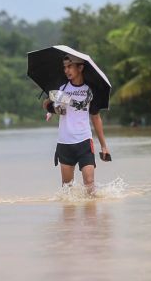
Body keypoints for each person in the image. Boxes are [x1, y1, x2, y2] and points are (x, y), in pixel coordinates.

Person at [42, 54, 111, 195]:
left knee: (90, 184)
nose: (66, 70)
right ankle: (69, 217)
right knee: (67, 190)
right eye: (64, 67)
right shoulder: (61, 89)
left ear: (80, 67)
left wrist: (104, 146)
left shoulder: (90, 91)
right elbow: (46, 105)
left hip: (84, 142)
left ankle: (92, 216)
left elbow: (96, 118)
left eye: (69, 67)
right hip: (65, 142)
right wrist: (53, 108)